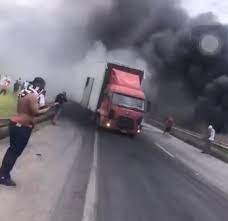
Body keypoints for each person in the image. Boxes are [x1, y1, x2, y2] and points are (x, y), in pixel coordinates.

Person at [0, 77, 50, 186]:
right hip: (22, 127)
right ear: (40, 86)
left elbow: (26, 110)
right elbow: (36, 112)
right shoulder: (33, 96)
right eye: (43, 87)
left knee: (12, 150)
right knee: (14, 152)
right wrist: (47, 109)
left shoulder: (23, 92)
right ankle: (3, 176)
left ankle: (3, 173)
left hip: (15, 123)